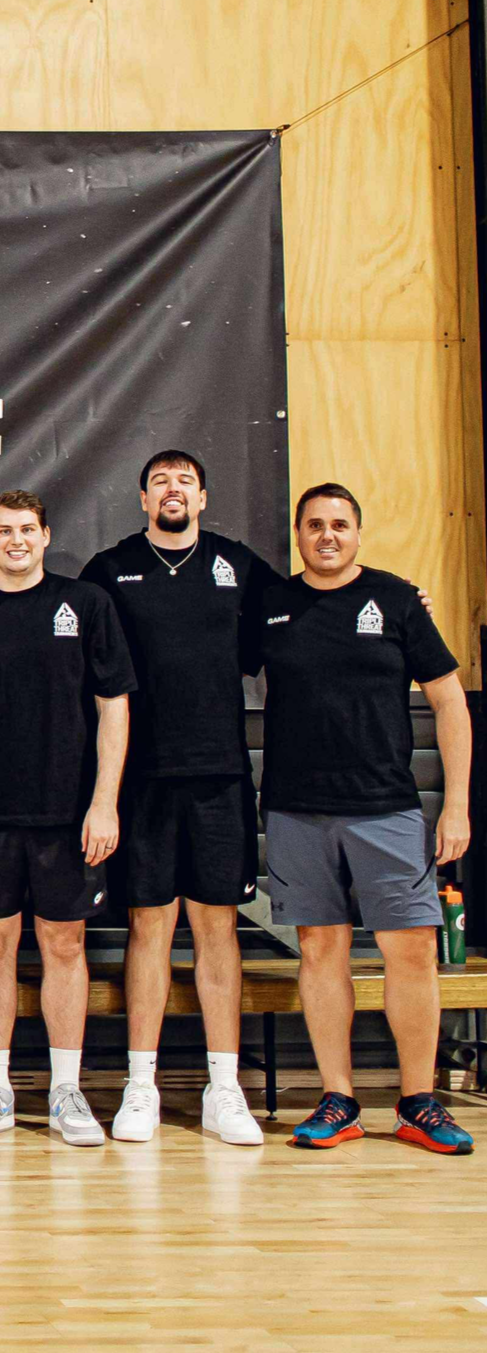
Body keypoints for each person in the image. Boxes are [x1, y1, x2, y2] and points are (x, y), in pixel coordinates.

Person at [259, 484, 473, 1155]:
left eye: (340, 525)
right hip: (296, 808)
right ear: (297, 534)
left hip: (387, 808)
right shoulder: (270, 606)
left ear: (357, 533)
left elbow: (449, 703)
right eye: (315, 525)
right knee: (321, 951)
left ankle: (418, 1101)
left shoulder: (398, 600)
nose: (328, 535)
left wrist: (458, 804)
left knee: (409, 954)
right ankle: (339, 1097)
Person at [78, 451, 278, 1146]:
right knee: (150, 928)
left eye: (184, 480)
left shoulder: (240, 567)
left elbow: (303, 620)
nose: (172, 490)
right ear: (142, 498)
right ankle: (141, 1085)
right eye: (160, 481)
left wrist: (408, 602)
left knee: (218, 928)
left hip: (219, 775)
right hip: (141, 779)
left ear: (203, 495)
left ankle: (225, 1089)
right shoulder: (110, 571)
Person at [0, 491, 134, 1147]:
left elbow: (114, 707)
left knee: (64, 944)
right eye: (4, 530)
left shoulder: (86, 605)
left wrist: (104, 799)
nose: (16, 540)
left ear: (46, 536)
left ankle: (64, 1089)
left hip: (67, 811)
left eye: (28, 529)